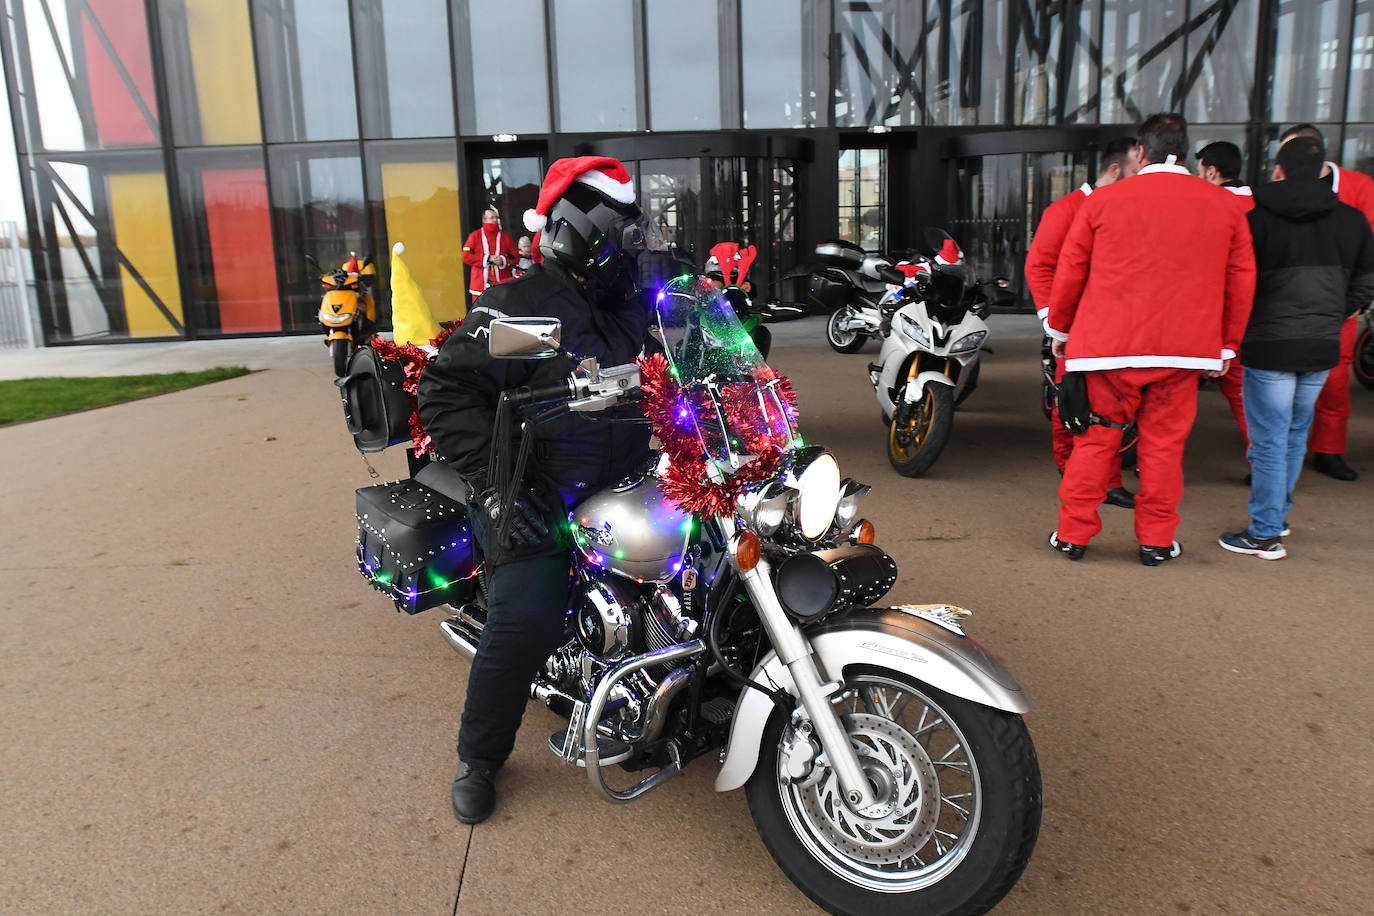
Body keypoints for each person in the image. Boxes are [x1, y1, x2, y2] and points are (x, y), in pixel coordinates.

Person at [417, 157, 674, 824]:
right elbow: (446, 395)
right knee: (526, 613)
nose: (626, 248)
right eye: (614, 232)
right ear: (572, 230)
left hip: (619, 482)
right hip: (539, 489)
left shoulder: (622, 311)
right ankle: (480, 756)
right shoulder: (529, 314)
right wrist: (500, 485)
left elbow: (668, 371)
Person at [1042, 113, 1256, 566]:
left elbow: (1070, 271)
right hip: (1185, 350)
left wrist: (1059, 329)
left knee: (1096, 441)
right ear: (1185, 149)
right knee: (1163, 449)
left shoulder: (1102, 202)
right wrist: (1227, 345)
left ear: (1142, 152)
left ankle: (1072, 534)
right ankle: (1156, 541)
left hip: (1107, 348)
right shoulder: (1224, 205)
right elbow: (1241, 279)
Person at [1219, 137, 1374, 559]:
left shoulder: (1253, 218)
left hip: (1268, 344)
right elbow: (1366, 280)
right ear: (1324, 170)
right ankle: (1276, 516)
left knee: (1269, 439)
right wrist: (1334, 313)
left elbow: (1233, 279)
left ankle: (1265, 532)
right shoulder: (1353, 220)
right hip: (1321, 345)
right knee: (1292, 435)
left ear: (1278, 169)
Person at [1026, 136, 1140, 510]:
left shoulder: (1126, 207)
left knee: (1112, 412)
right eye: (1139, 170)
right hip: (1074, 333)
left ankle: (1104, 481)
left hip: (1118, 331)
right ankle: (1075, 477)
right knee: (1071, 408)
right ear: (1116, 169)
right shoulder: (1066, 209)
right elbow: (1038, 266)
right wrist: (1054, 323)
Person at [1278, 124, 1374, 481]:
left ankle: (1329, 450)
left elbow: (1369, 254)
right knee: (1278, 385)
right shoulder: (1277, 191)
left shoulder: (1361, 188)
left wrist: (1351, 304)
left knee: (1334, 382)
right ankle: (1279, 455)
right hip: (1285, 305)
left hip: (1336, 306)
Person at [1195, 141, 1254, 452]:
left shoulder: (1207, 207)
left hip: (1207, 317)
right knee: (1246, 398)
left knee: (1171, 394)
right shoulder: (1260, 205)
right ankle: (1263, 465)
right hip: (1253, 317)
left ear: (1212, 170)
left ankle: (1146, 460)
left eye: (1199, 169)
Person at [461, 208, 519, 301]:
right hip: (480, 285)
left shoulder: (506, 237)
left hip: (502, 283)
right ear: (484, 220)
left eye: (496, 217)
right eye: (492, 217)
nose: (495, 220)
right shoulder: (475, 236)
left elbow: (516, 257)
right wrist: (487, 259)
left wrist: (503, 260)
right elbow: (466, 256)